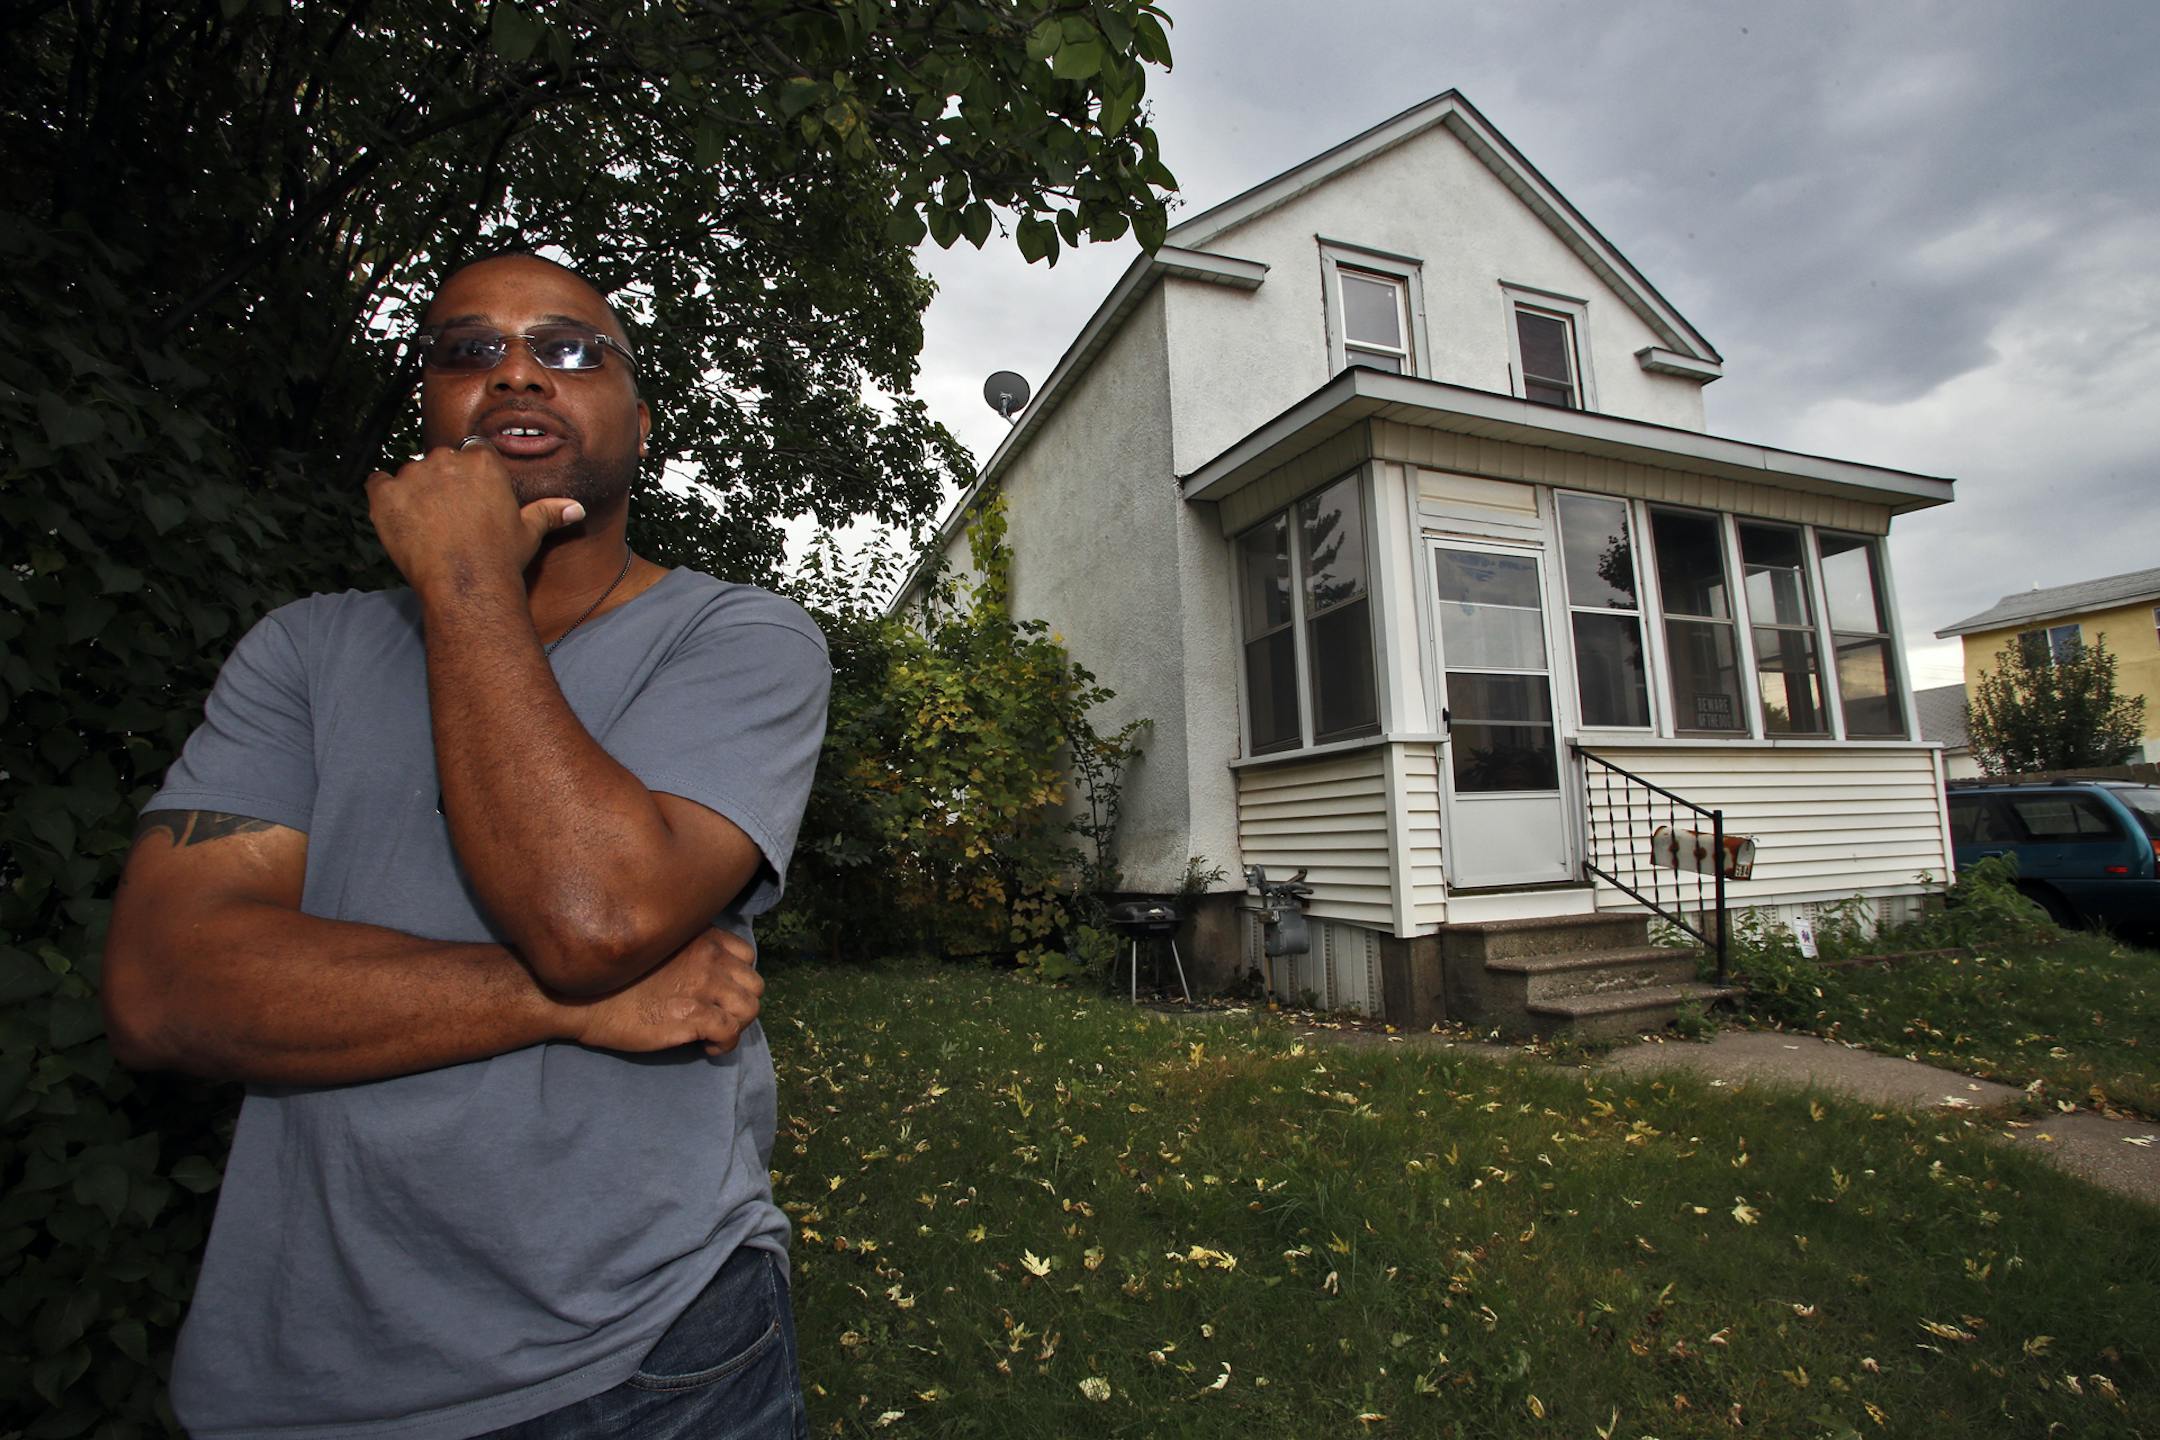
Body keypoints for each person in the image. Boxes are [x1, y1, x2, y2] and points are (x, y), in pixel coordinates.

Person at [101, 251, 829, 1440]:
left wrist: (463, 571)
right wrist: (559, 1005)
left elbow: (589, 916)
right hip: (299, 1380)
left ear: (638, 423)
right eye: (469, 351)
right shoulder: (301, 654)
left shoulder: (737, 640)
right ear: (430, 409)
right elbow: (163, 991)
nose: (518, 375)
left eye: (570, 348)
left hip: (650, 1358)